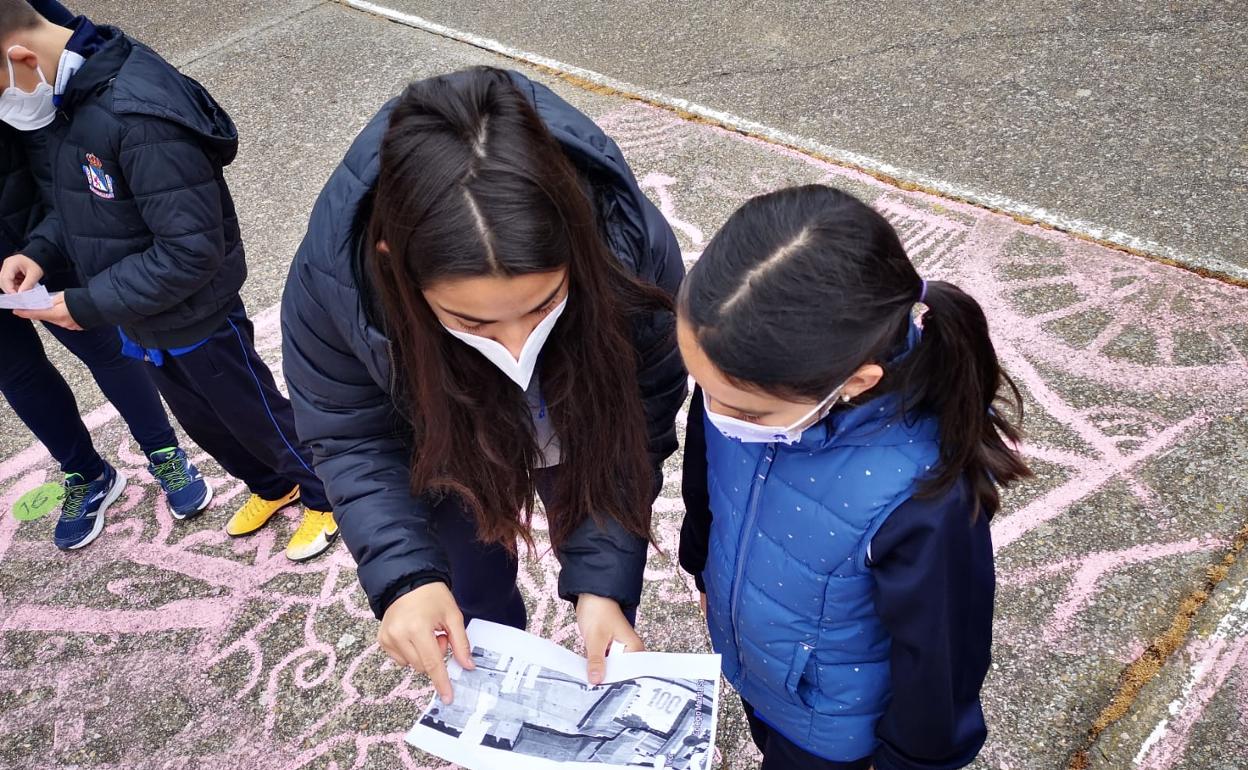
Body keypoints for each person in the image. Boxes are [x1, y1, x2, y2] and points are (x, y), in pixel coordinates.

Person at [281, 66, 687, 701]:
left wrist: (604, 584)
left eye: (544, 305)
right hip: (443, 443)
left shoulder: (631, 248)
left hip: (580, 430)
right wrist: (407, 578)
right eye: (472, 321)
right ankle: (492, 676)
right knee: (466, 592)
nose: (516, 346)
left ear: (577, 234)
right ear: (394, 263)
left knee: (601, 571)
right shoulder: (334, 287)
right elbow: (354, 438)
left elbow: (639, 417)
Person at [678, 185, 1031, 769]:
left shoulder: (921, 497)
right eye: (705, 390)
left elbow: (939, 665)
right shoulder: (735, 380)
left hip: (832, 730)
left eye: (746, 412)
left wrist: (911, 762)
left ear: (856, 382)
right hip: (760, 675)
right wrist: (700, 565)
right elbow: (706, 484)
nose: (716, 415)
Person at [0, 0, 336, 561]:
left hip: (196, 313)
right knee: (205, 421)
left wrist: (86, 303)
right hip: (144, 313)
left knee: (254, 413)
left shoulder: (135, 114)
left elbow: (191, 250)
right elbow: (79, 204)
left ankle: (326, 495)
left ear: (21, 58)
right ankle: (273, 486)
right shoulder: (73, 104)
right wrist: (39, 252)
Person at [0, 0, 208, 550]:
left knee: (99, 340)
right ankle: (85, 472)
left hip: (40, 223)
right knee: (15, 372)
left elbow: (62, 135)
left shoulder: (22, 62)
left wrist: (45, 242)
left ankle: (163, 450)